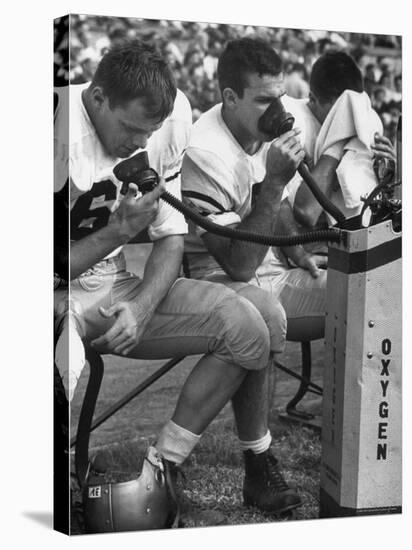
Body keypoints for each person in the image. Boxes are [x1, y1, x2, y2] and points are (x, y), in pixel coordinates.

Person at [54, 39, 301, 525]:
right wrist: (120, 230)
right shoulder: (49, 124)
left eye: (146, 131)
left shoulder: (172, 118)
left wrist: (143, 306)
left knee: (248, 326)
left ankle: (162, 466)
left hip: (112, 286)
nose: (134, 143)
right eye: (128, 128)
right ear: (98, 97)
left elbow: (170, 238)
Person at [181, 37, 327, 341]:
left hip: (274, 272)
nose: (277, 109)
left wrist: (299, 254)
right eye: (264, 100)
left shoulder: (259, 130)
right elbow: (240, 266)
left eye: (280, 97)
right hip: (220, 282)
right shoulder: (203, 151)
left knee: (366, 295)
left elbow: (281, 206)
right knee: (262, 320)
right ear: (231, 98)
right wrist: (275, 181)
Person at [286, 51, 397, 228]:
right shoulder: (295, 122)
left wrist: (387, 176)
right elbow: (307, 212)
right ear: (313, 99)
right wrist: (337, 143)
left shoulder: (364, 122)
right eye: (338, 115)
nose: (347, 123)